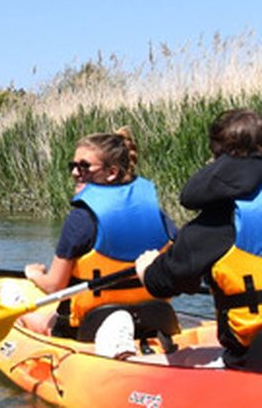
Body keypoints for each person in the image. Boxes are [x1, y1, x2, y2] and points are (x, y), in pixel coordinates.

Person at [14, 127, 175, 356]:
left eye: (84, 166)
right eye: (73, 166)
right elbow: (180, 262)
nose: (75, 173)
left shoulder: (81, 218)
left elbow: (54, 286)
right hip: (155, 317)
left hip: (89, 325)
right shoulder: (155, 212)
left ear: (111, 172)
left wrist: (34, 274)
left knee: (17, 307)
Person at [136, 108, 262, 372]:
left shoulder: (223, 216)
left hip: (251, 361)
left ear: (218, 159)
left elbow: (165, 281)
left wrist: (146, 269)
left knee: (173, 360)